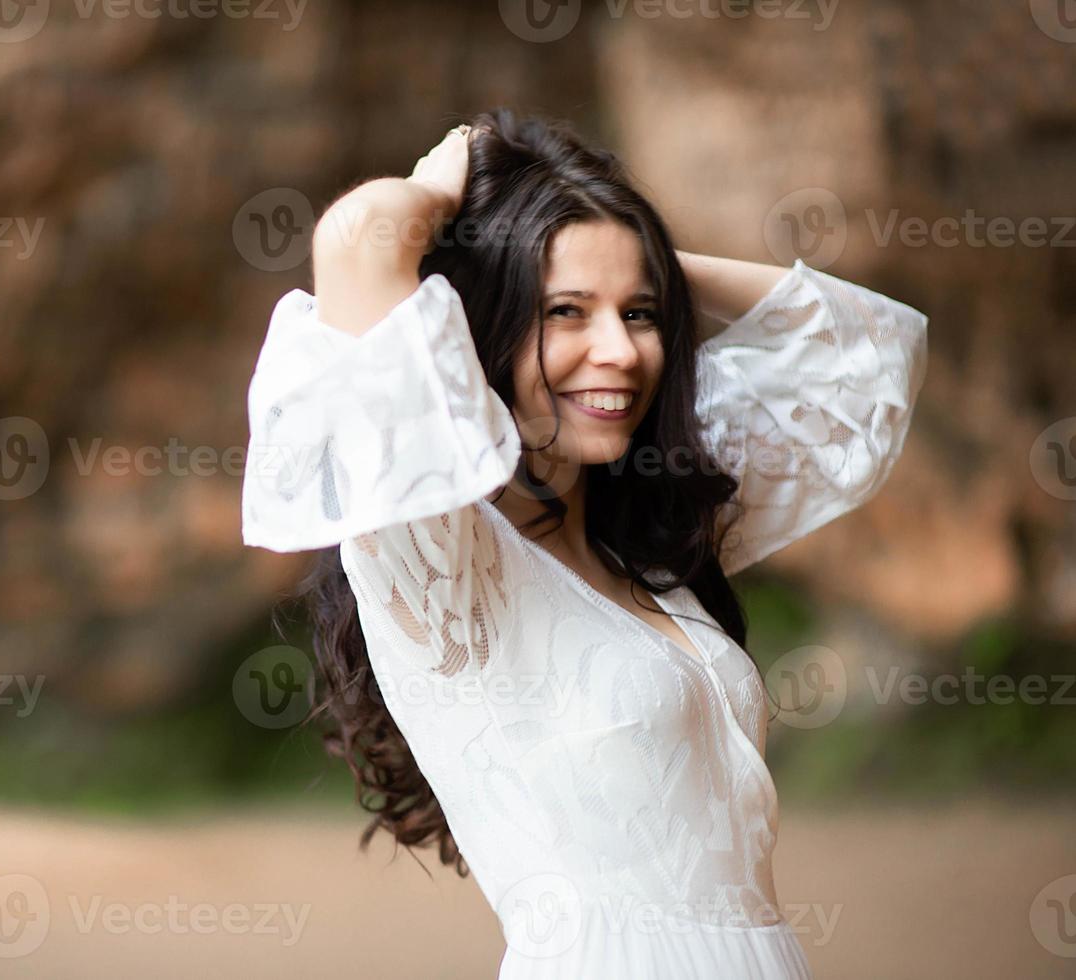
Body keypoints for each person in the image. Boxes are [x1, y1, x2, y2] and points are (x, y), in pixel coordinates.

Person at [240, 107, 928, 978]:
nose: (621, 351)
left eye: (639, 315)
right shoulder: (446, 558)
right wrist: (444, 188)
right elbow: (354, 243)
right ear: (482, 326)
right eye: (565, 311)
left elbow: (868, 359)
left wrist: (633, 262)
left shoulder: (639, 550)